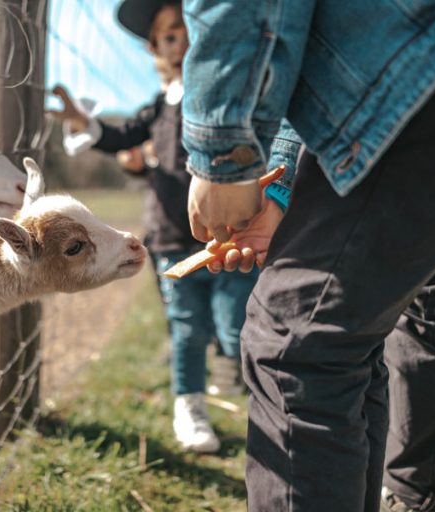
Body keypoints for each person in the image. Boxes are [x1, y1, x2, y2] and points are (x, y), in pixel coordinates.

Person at [179, 1, 435, 511]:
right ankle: (419, 500)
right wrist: (280, 186)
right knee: (363, 321)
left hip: (425, 63)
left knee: (295, 345)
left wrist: (220, 152)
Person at [49, 0, 292, 454]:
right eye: (168, 35)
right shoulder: (160, 106)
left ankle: (266, 408)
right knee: (185, 328)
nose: (180, 40)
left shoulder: (235, 98)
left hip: (229, 236)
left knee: (235, 325)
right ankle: (190, 407)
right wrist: (85, 122)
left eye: (187, 28)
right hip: (171, 238)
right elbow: (120, 137)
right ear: (156, 48)